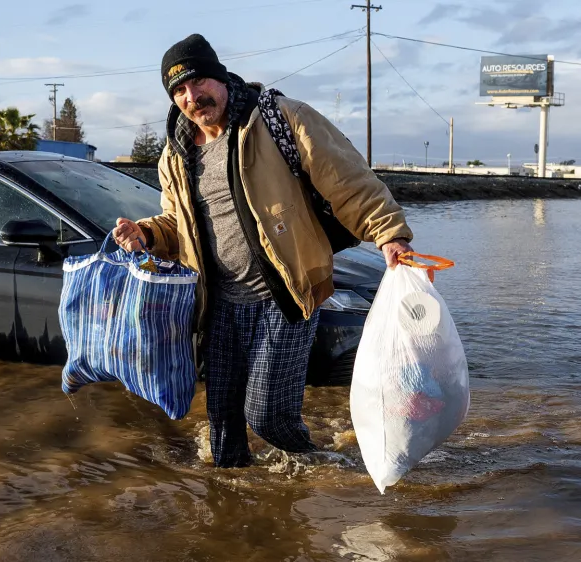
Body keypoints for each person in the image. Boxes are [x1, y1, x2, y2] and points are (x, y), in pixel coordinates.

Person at [112, 33, 415, 468]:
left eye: (198, 82)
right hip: (218, 305)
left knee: (268, 414)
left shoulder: (279, 118)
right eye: (178, 90)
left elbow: (347, 180)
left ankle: (325, 471)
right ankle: (235, 520)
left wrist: (389, 233)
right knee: (223, 437)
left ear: (219, 77)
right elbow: (178, 226)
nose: (192, 96)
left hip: (286, 294)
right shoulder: (175, 155)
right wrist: (144, 234)